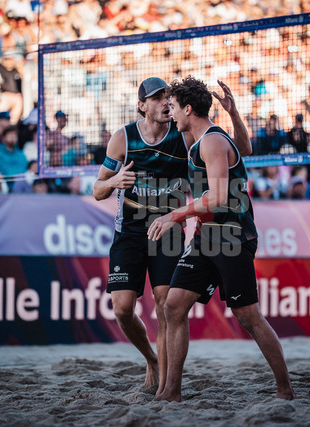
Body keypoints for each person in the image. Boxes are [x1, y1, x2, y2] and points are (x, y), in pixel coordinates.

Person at [92, 77, 251, 394]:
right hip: (130, 232)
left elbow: (242, 150)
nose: (165, 102)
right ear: (142, 105)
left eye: (167, 96)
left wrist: (233, 114)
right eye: (157, 98)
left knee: (166, 306)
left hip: (168, 231)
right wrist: (114, 181)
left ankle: (166, 386)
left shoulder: (183, 133)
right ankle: (151, 360)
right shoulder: (123, 138)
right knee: (122, 308)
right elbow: (98, 190)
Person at [147, 76, 294, 402]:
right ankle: (171, 392)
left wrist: (174, 216)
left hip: (232, 237)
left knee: (248, 316)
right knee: (173, 306)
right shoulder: (198, 137)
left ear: (188, 109)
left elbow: (217, 197)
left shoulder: (212, 141)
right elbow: (245, 149)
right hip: (206, 237)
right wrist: (234, 112)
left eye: (173, 107)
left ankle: (285, 389)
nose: (170, 112)